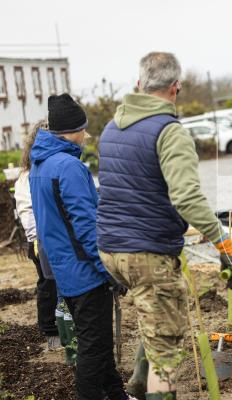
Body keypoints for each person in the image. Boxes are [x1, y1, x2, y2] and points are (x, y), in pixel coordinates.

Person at [96, 52, 232, 400]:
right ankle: (153, 390)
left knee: (155, 316)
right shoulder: (169, 132)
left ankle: (135, 384)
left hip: (110, 250)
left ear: (139, 85)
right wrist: (222, 242)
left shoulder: (111, 127)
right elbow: (187, 198)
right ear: (175, 87)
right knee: (167, 349)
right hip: (146, 253)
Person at [29, 94, 133, 400]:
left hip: (65, 272)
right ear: (71, 130)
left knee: (97, 344)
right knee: (93, 348)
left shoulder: (40, 166)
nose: (86, 134)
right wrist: (109, 270)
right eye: (83, 128)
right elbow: (86, 229)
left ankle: (117, 395)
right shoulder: (69, 167)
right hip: (86, 273)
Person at [14, 121, 60, 351]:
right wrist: (36, 238)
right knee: (47, 283)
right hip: (39, 239)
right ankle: (50, 330)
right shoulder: (27, 175)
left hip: (52, 235)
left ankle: (63, 326)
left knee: (57, 283)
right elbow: (27, 210)